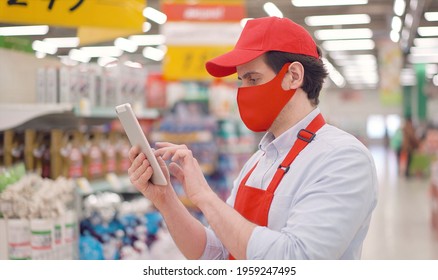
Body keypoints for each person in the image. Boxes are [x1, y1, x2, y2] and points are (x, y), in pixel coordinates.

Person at [128, 16, 378, 260]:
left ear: (294, 75)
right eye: (241, 80)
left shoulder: (342, 158)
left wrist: (205, 196)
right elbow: (217, 252)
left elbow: (296, 259)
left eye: (253, 79)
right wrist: (166, 200)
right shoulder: (259, 160)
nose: (243, 92)